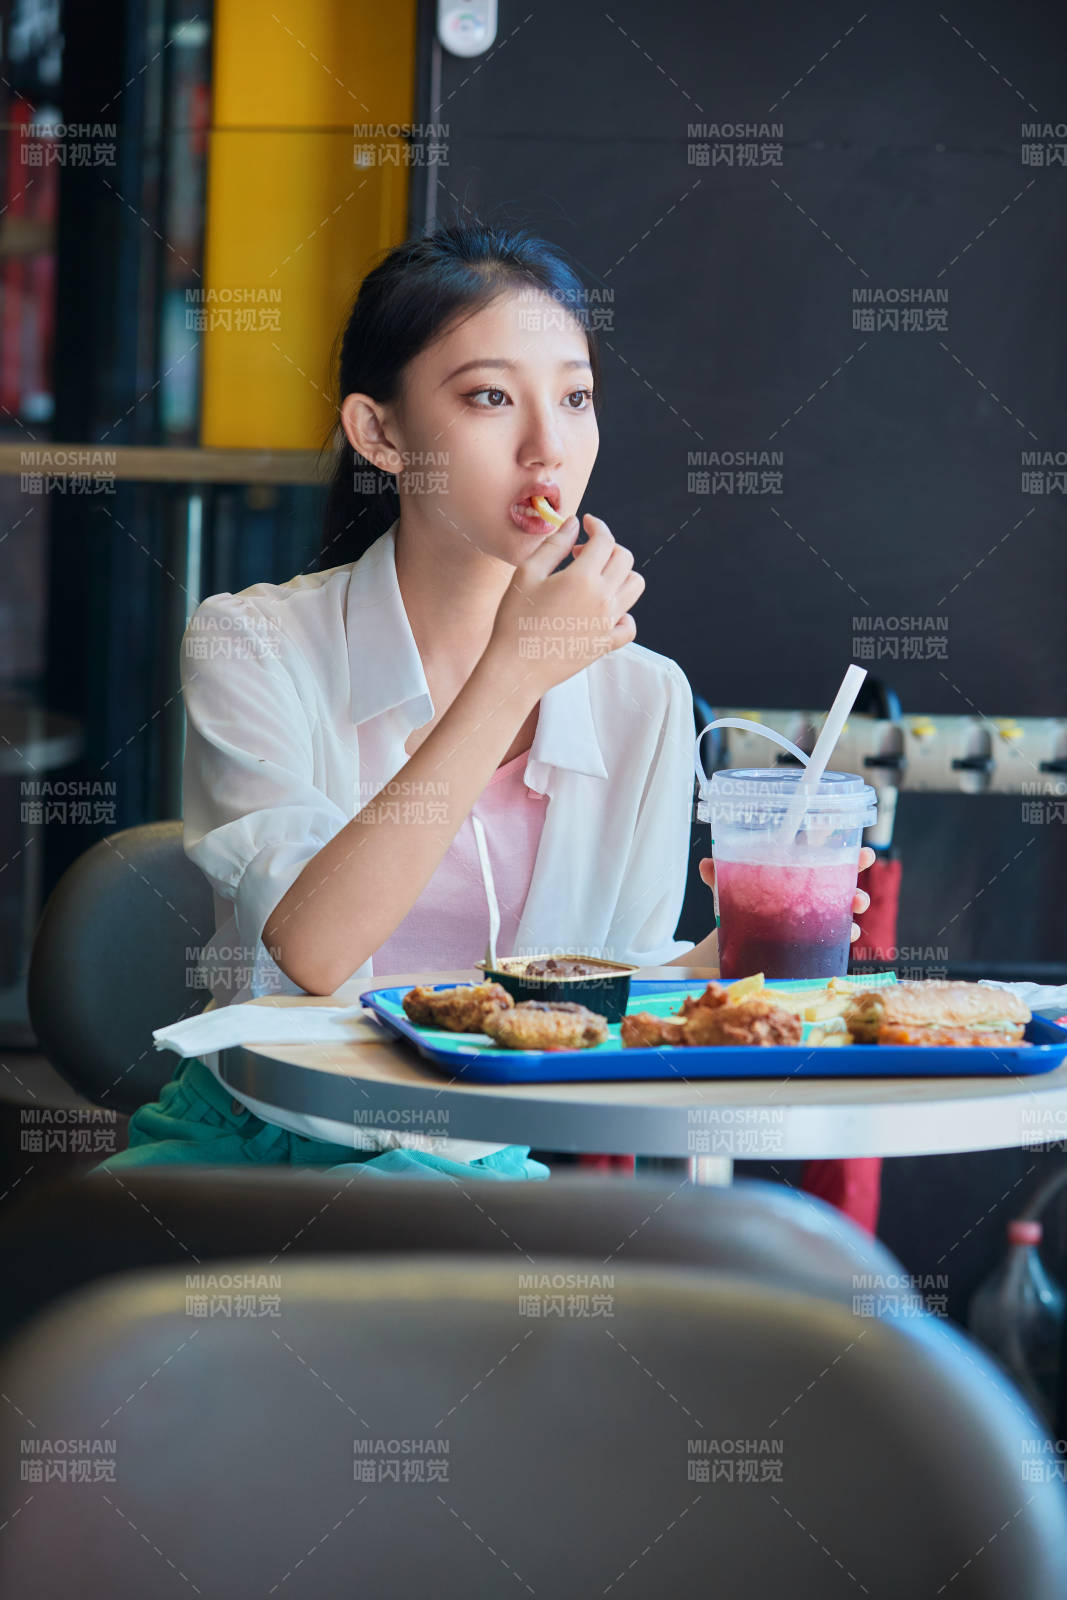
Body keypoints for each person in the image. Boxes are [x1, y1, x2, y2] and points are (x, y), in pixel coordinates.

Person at [92, 218, 872, 1180]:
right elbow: (311, 949)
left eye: (576, 397)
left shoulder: (646, 697)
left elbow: (595, 1002)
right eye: (491, 398)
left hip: (473, 1174)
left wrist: (716, 963)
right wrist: (514, 673)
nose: (549, 445)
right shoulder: (253, 641)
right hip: (251, 1150)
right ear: (380, 433)